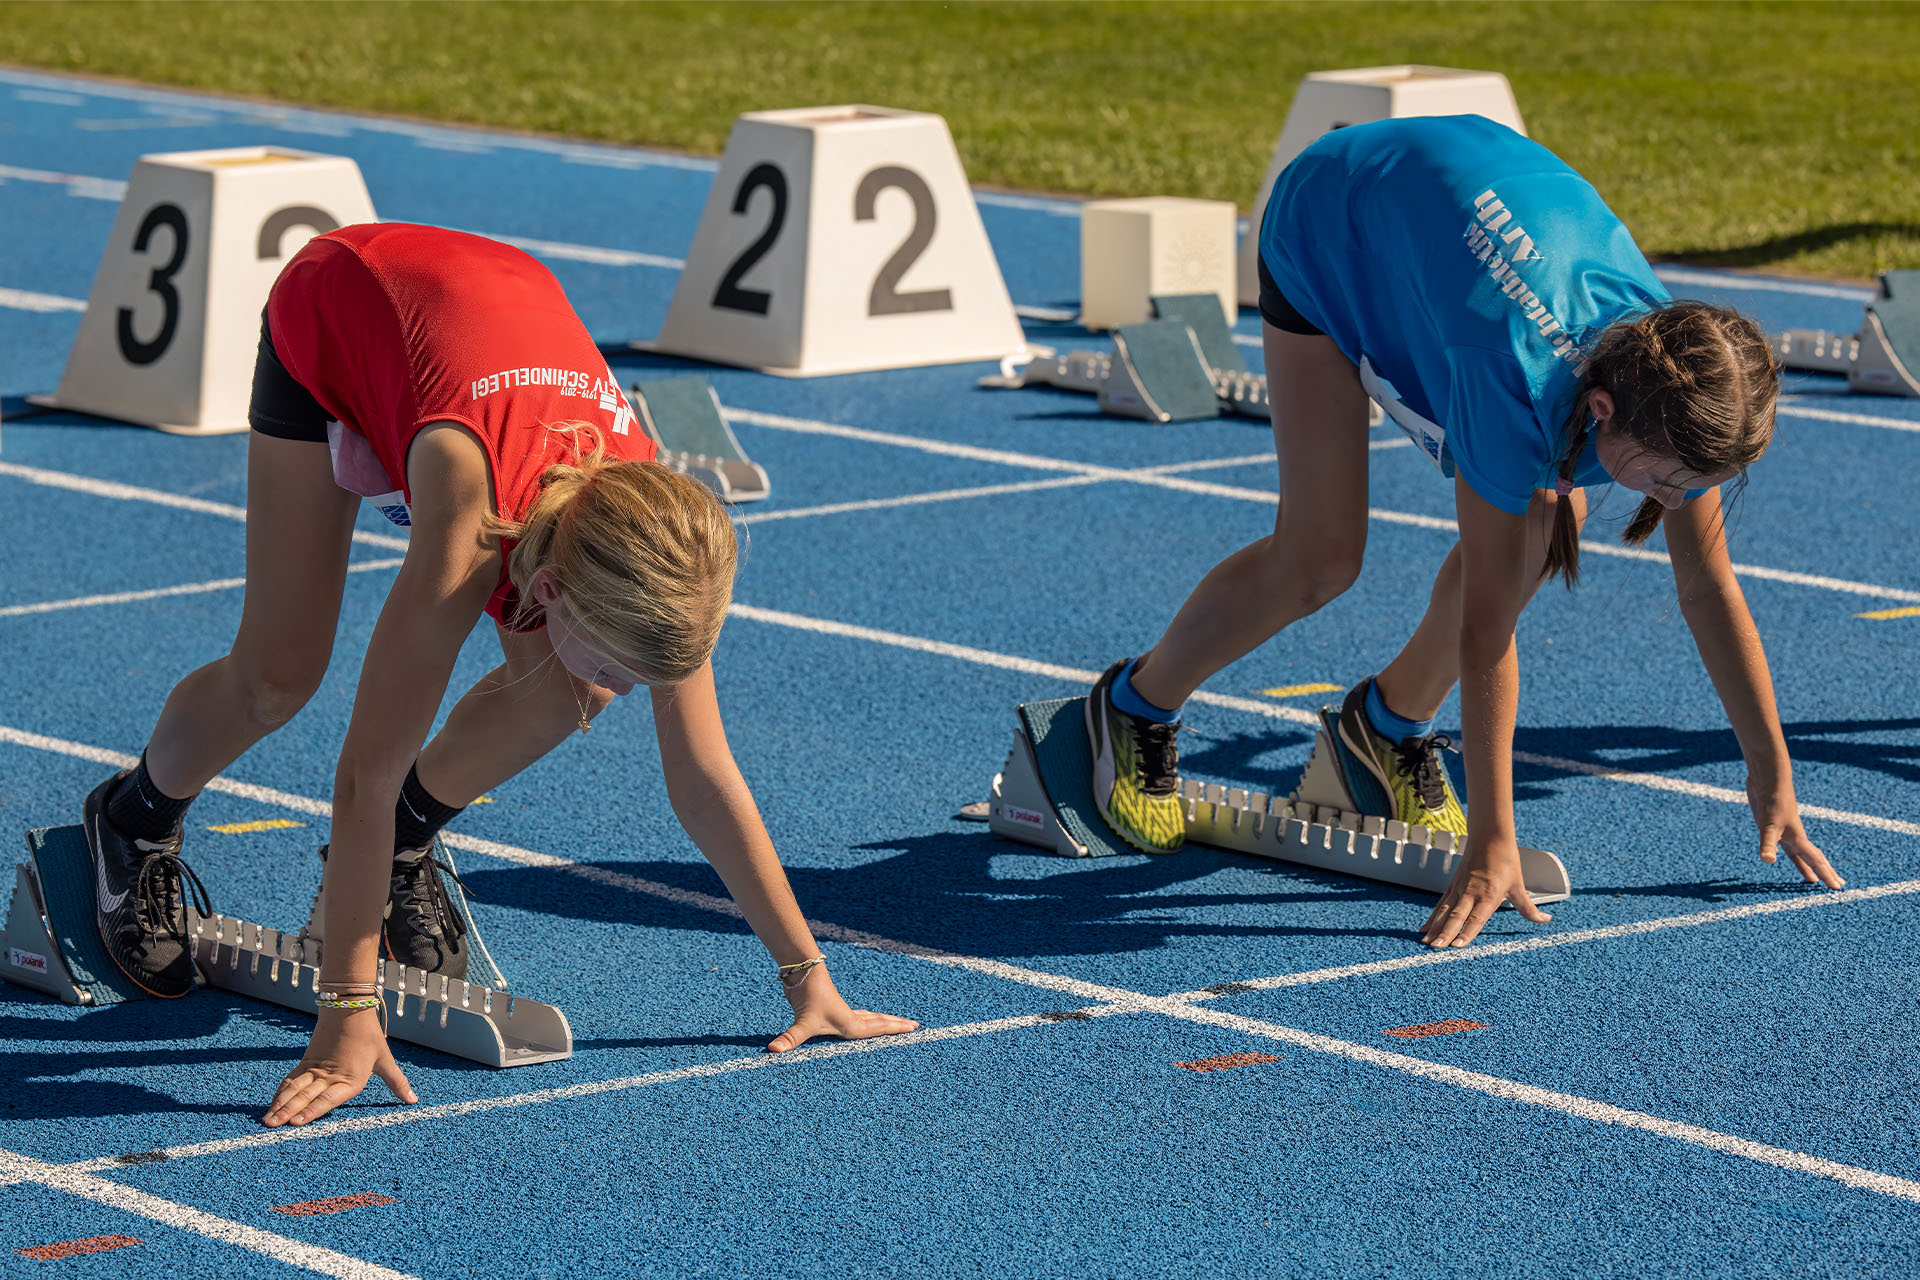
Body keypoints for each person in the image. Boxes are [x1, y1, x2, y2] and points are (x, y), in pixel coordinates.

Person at [81, 223, 916, 1128]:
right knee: (280, 676)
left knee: (572, 693)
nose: (635, 692)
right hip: (345, 300)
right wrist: (346, 1015)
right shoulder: (469, 522)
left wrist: (808, 978)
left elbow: (704, 777)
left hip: (488, 322)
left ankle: (407, 846)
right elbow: (364, 773)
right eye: (626, 665)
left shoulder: (663, 544)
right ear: (546, 586)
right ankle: (135, 819)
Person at [1084, 116, 1843, 948]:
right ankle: (1133, 706)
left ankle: (1382, 729)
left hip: (1447, 208)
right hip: (1333, 223)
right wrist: (1492, 840)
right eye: (1669, 482)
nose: (1680, 499)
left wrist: (1771, 771)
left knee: (1550, 517)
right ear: (1600, 413)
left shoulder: (1683, 381)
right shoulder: (1511, 383)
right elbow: (1488, 628)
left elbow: (1708, 586)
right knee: (1322, 557)